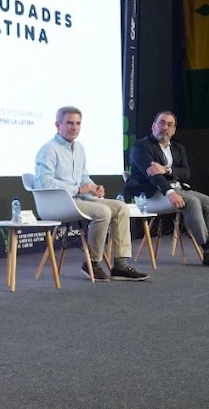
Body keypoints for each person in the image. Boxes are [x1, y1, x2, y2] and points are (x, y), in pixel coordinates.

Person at [35, 106, 150, 281]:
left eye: (78, 123)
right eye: (69, 123)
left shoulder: (79, 148)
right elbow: (43, 182)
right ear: (57, 125)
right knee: (102, 212)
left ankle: (120, 264)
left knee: (120, 207)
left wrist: (93, 188)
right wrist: (79, 189)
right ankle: (92, 264)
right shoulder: (48, 149)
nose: (74, 127)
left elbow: (83, 176)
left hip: (80, 199)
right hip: (59, 203)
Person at [124, 111, 209, 267]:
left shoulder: (178, 148)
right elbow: (153, 176)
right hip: (152, 195)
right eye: (161, 123)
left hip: (178, 190)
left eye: (169, 125)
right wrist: (170, 193)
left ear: (174, 130)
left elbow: (185, 173)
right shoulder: (141, 146)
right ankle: (208, 248)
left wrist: (166, 170)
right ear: (153, 126)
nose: (165, 127)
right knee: (191, 202)